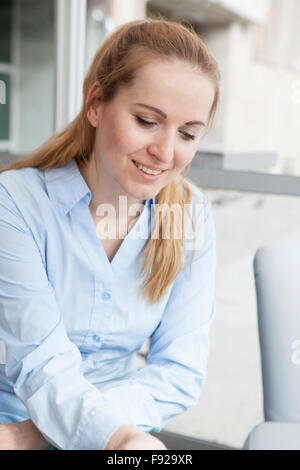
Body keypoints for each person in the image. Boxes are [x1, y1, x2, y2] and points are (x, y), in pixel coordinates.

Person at [0, 18, 220, 450]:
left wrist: (55, 435)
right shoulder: (15, 203)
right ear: (97, 104)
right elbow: (41, 362)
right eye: (146, 121)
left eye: (188, 133)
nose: (166, 152)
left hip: (85, 432)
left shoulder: (191, 216)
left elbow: (179, 371)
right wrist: (115, 437)